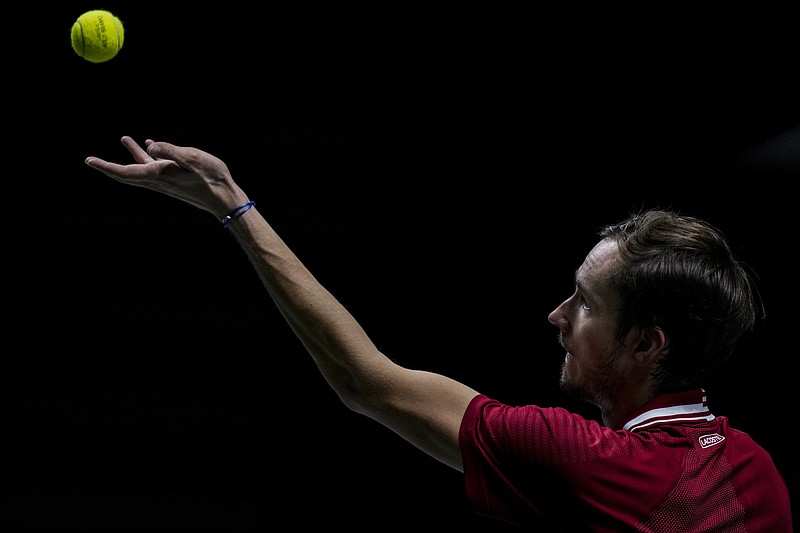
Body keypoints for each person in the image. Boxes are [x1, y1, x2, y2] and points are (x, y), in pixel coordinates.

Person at [85, 136, 792, 532]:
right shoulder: (758, 471)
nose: (556, 316)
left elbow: (366, 380)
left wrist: (232, 206)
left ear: (647, 344)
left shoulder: (589, 461)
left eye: (584, 303)